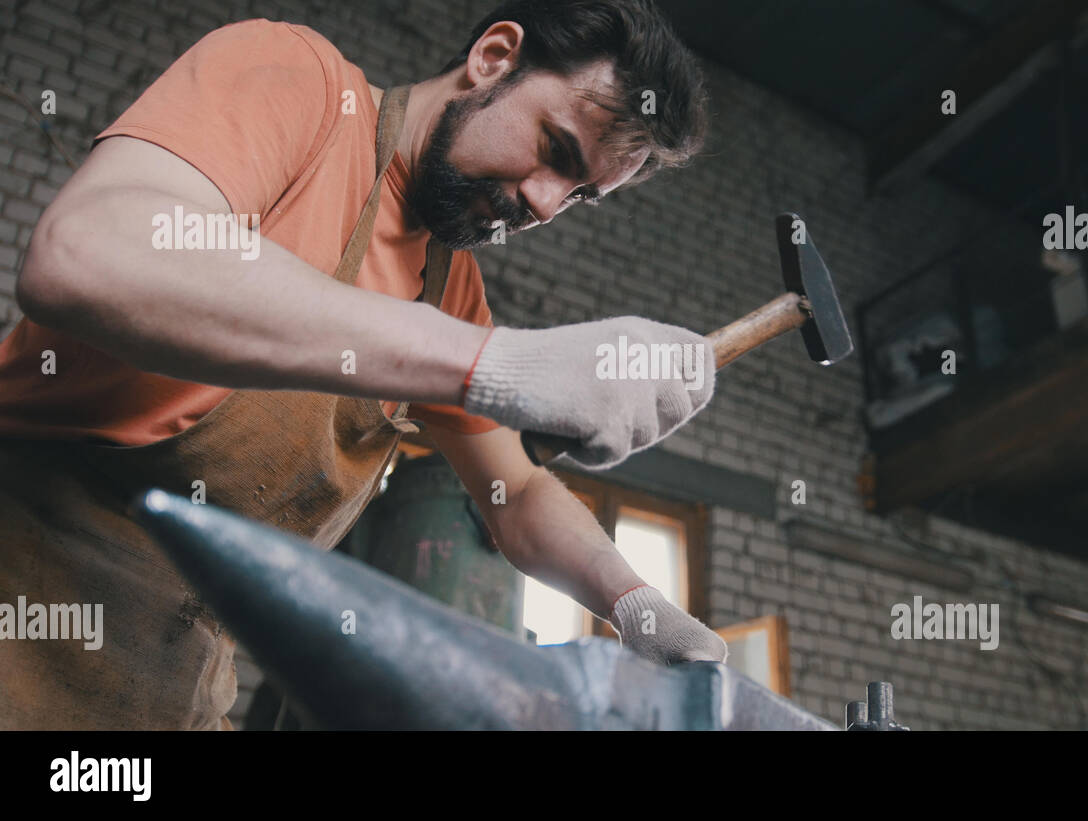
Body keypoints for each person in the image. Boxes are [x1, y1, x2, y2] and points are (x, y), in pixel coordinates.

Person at [0, 0, 727, 730]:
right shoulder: (301, 86)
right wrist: (490, 360)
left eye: (579, 194)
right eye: (556, 150)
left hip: (168, 693)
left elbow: (518, 492)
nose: (544, 202)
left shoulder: (450, 288)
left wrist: (636, 605)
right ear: (494, 58)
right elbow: (88, 250)